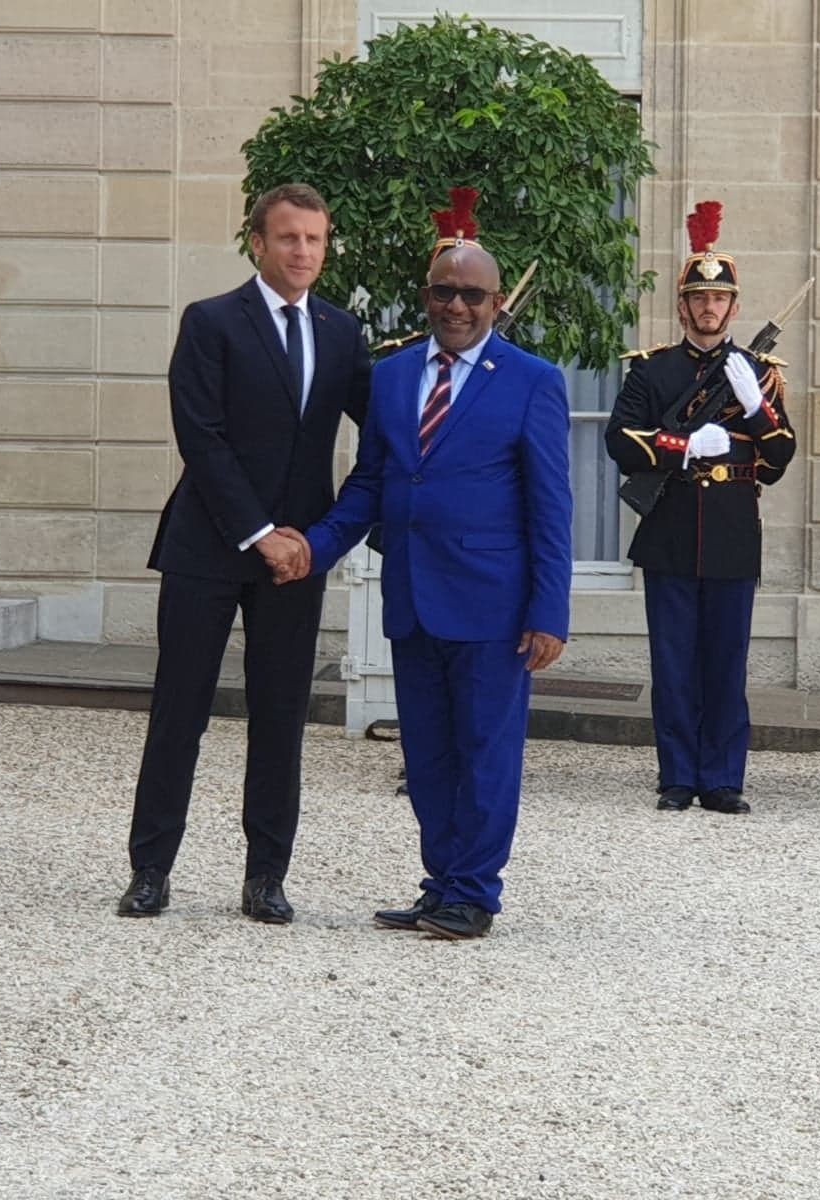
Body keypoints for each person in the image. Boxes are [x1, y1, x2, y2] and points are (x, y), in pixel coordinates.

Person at [274, 192, 573, 940]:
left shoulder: (532, 379)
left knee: (486, 754)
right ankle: (441, 885)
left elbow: (552, 506)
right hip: (412, 597)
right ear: (426, 296)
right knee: (431, 755)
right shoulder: (394, 375)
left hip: (494, 607)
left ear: (496, 303)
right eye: (444, 292)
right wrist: (315, 547)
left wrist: (549, 611)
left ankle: (474, 892)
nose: (456, 306)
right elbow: (371, 482)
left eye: (472, 295)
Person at [116, 183, 371, 924]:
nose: (303, 251)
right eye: (289, 237)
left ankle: (266, 877)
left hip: (296, 559)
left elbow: (385, 419)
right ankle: (151, 870)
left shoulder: (341, 331)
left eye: (315, 239)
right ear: (258, 243)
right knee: (180, 711)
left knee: (281, 716)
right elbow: (201, 436)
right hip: (209, 545)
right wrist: (259, 532)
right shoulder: (211, 322)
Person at [603, 200, 796, 816]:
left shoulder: (759, 374)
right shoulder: (652, 371)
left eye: (719, 298)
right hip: (672, 525)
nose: (709, 307)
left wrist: (757, 408)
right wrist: (683, 446)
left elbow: (781, 456)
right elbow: (619, 439)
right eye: (699, 298)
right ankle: (677, 775)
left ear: (734, 308)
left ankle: (722, 777)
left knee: (726, 663)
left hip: (734, 529)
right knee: (674, 662)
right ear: (683, 306)